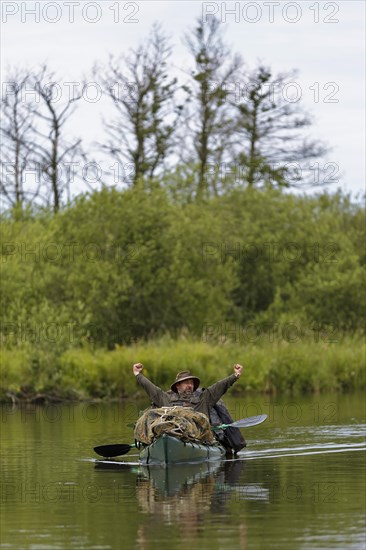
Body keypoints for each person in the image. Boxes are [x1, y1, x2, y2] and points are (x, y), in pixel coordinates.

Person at [132, 362, 243, 420]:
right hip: (172, 433)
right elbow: (151, 388)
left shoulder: (203, 398)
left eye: (191, 383)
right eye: (186, 383)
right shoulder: (166, 399)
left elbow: (220, 386)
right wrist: (138, 374)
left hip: (198, 436)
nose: (190, 385)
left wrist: (235, 375)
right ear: (178, 386)